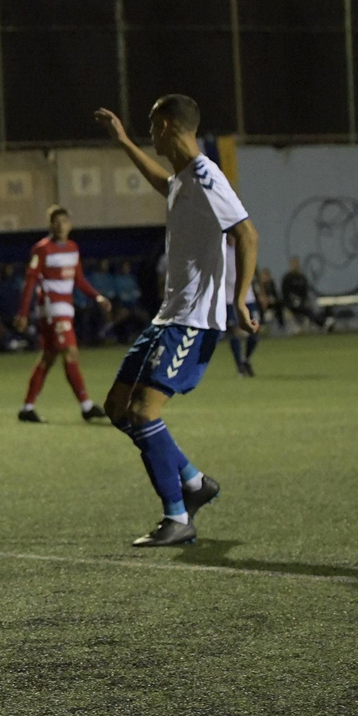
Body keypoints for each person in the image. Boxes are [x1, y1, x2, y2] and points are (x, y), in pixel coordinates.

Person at [96, 96, 258, 547]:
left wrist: (239, 300)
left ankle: (177, 517)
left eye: (150, 127)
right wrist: (125, 141)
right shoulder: (185, 179)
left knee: (144, 412)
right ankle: (193, 481)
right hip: (168, 317)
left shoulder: (207, 175)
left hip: (192, 321)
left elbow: (246, 232)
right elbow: (160, 182)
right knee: (117, 408)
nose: (151, 134)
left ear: (167, 125)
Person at [13, 205, 111, 423]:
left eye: (64, 222)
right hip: (51, 309)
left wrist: (97, 297)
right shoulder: (42, 249)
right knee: (70, 351)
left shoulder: (73, 248)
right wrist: (23, 312)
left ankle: (27, 408)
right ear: (50, 226)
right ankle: (86, 405)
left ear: (70, 225)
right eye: (56, 223)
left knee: (48, 357)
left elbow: (79, 279)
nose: (60, 226)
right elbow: (30, 281)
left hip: (66, 308)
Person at [226, 235, 261, 377]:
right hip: (229, 299)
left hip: (249, 298)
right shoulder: (221, 252)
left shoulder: (244, 248)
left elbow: (254, 270)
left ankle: (246, 359)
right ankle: (239, 364)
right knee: (234, 332)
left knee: (255, 330)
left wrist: (261, 293)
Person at [280, 256, 335, 332]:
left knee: (312, 307)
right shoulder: (287, 278)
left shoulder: (302, 277)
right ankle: (323, 323)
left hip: (302, 304)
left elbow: (305, 292)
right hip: (290, 304)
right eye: (294, 264)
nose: (296, 265)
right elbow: (285, 294)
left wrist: (304, 301)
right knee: (307, 310)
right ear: (291, 265)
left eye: (297, 263)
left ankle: (323, 322)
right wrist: (291, 302)